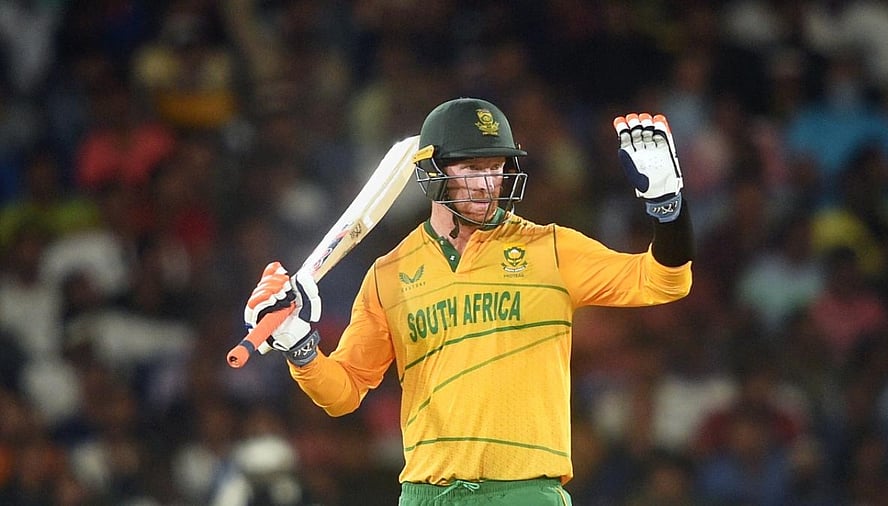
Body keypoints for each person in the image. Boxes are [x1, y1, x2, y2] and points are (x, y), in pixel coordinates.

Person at [242, 98, 694, 505]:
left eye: (496, 166)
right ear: (432, 170)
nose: (487, 183)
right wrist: (299, 345)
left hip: (525, 492)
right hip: (426, 493)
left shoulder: (551, 249)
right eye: (470, 167)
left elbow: (664, 281)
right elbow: (342, 394)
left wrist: (667, 208)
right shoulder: (389, 274)